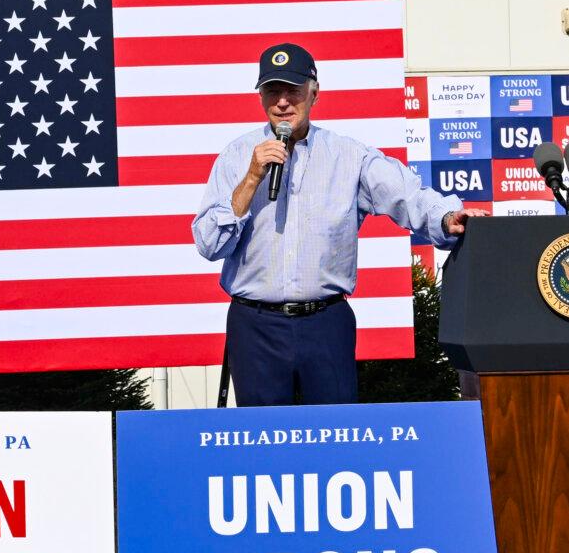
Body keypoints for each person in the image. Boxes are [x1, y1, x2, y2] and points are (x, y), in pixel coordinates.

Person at [193, 42, 487, 407]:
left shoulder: (349, 156)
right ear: (260, 97)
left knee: (337, 434)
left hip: (325, 322)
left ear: (314, 91)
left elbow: (405, 194)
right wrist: (251, 178)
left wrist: (446, 217)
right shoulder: (237, 156)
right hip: (256, 326)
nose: (282, 101)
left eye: (293, 90)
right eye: (272, 90)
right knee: (261, 443)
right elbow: (208, 243)